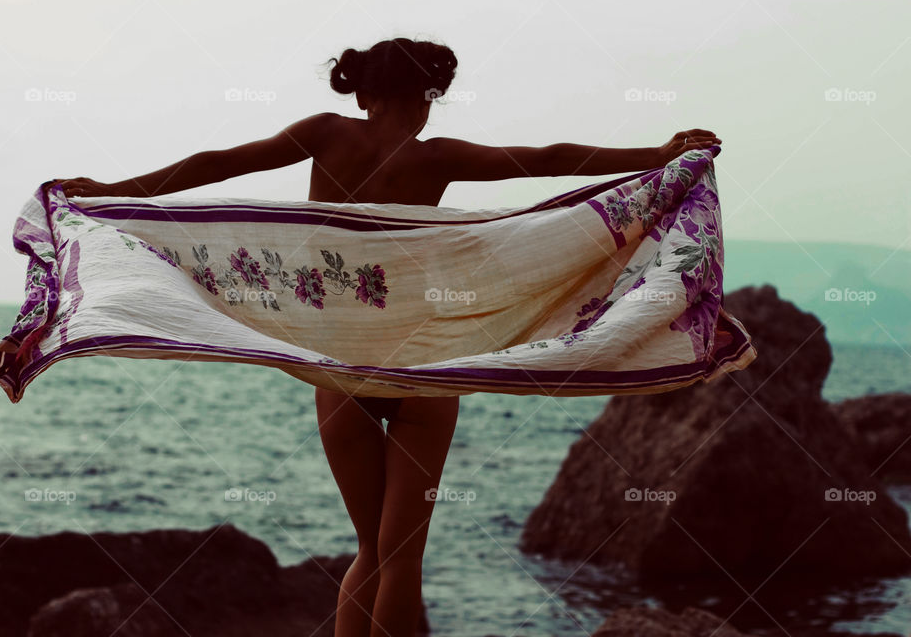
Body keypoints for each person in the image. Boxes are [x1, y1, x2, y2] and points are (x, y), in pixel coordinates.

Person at [53, 36, 721, 637]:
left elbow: (221, 163)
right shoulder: (438, 157)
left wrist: (116, 191)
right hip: (424, 364)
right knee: (400, 558)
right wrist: (662, 157)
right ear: (429, 99)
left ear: (364, 93)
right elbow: (550, 160)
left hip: (339, 366)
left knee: (369, 552)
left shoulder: (327, 134)